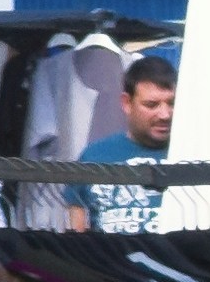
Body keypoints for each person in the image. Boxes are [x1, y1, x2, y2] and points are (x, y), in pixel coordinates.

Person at [75, 43, 177, 233]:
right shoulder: (93, 157)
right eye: (152, 105)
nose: (165, 114)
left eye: (171, 103)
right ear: (127, 103)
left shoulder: (193, 154)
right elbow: (75, 231)